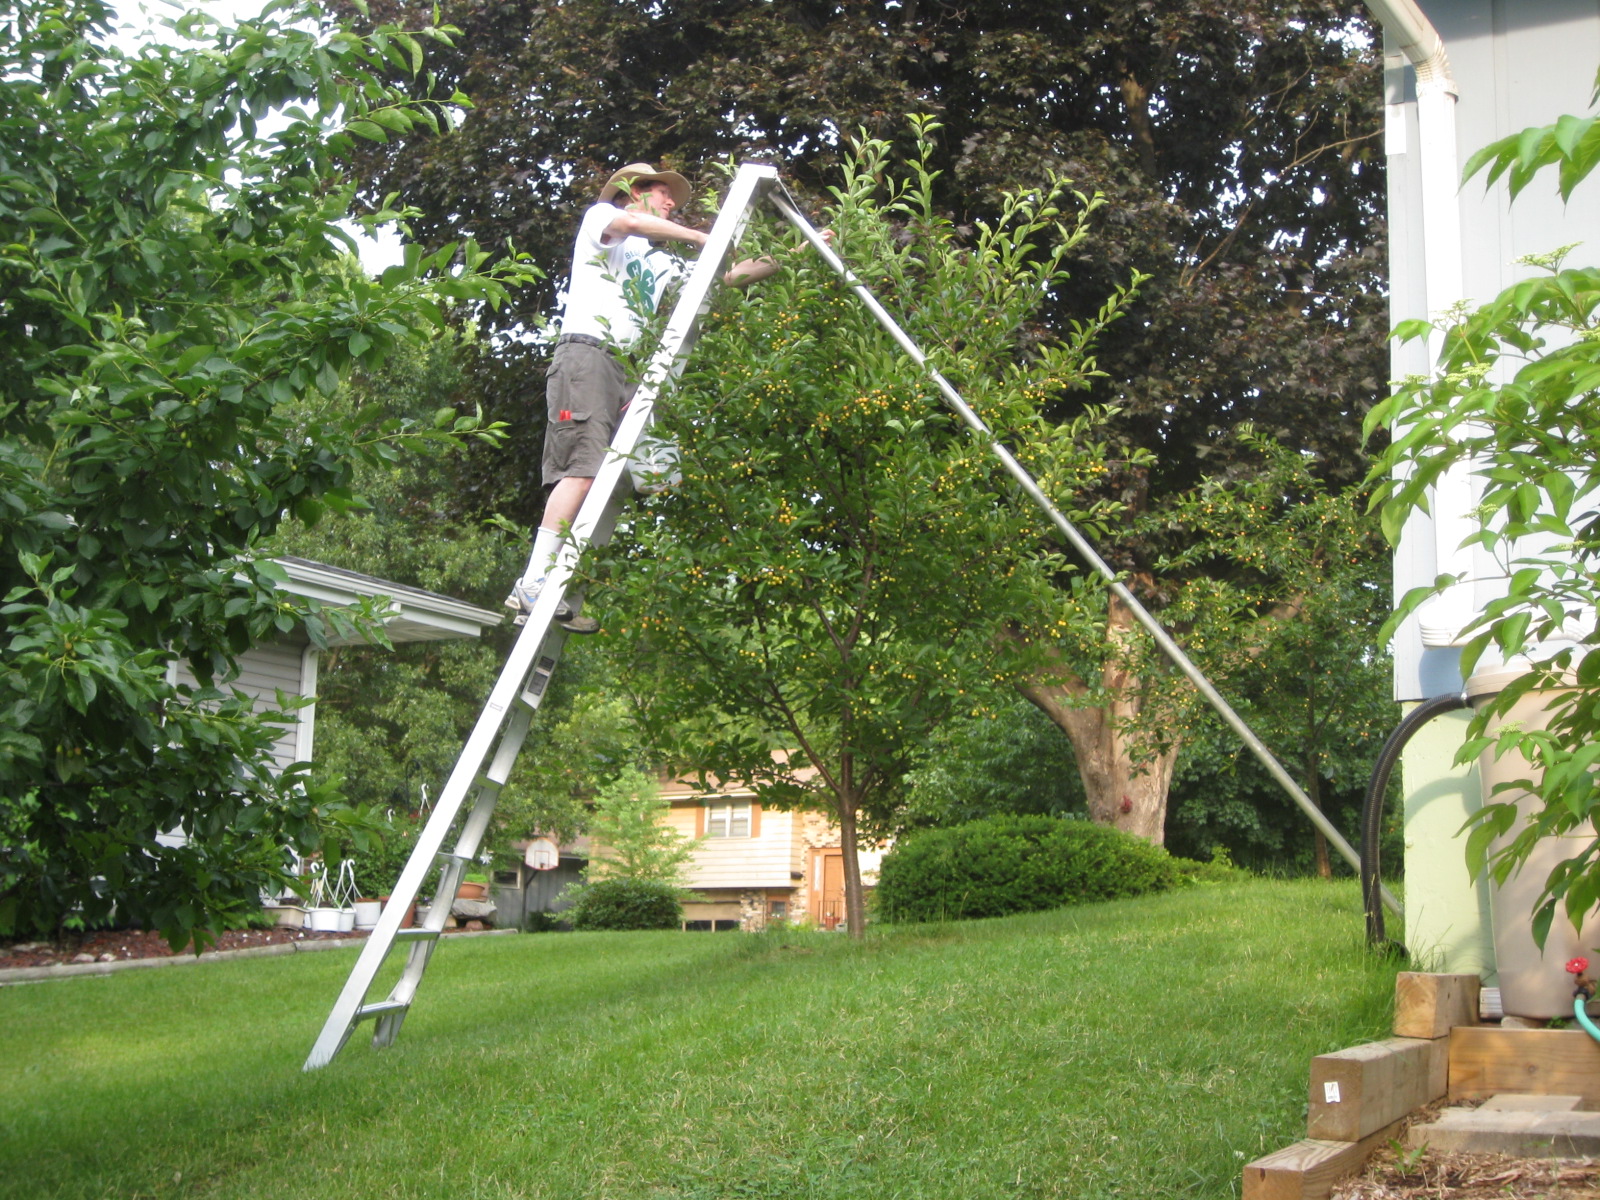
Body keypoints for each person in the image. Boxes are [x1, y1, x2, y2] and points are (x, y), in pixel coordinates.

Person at [507, 161, 829, 632]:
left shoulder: (658, 261)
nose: (671, 201)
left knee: (638, 475)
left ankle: (558, 588)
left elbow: (728, 278)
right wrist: (703, 238)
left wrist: (803, 250)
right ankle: (532, 583)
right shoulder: (602, 219)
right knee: (581, 470)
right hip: (588, 356)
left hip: (628, 367)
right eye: (661, 192)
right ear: (630, 192)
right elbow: (633, 223)